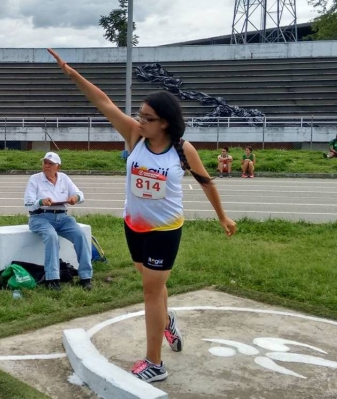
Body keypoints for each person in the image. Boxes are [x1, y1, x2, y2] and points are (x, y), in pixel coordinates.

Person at [47, 48, 236, 383]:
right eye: (140, 115)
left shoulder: (182, 149)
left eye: (147, 117)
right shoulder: (135, 136)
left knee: (150, 291)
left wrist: (222, 217)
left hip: (165, 229)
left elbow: (206, 182)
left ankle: (155, 363)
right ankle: (168, 320)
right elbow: (103, 102)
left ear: (164, 122)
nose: (140, 120)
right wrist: (70, 73)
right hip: (133, 225)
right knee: (151, 284)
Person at [23, 151, 93, 291]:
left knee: (80, 235)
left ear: (58, 167)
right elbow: (28, 203)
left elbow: (80, 194)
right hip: (40, 217)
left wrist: (75, 198)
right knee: (51, 236)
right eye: (45, 163)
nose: (47, 166)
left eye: (50, 164)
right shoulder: (34, 179)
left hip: (62, 217)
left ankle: (86, 276)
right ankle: (52, 278)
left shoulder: (64, 178)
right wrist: (41, 201)